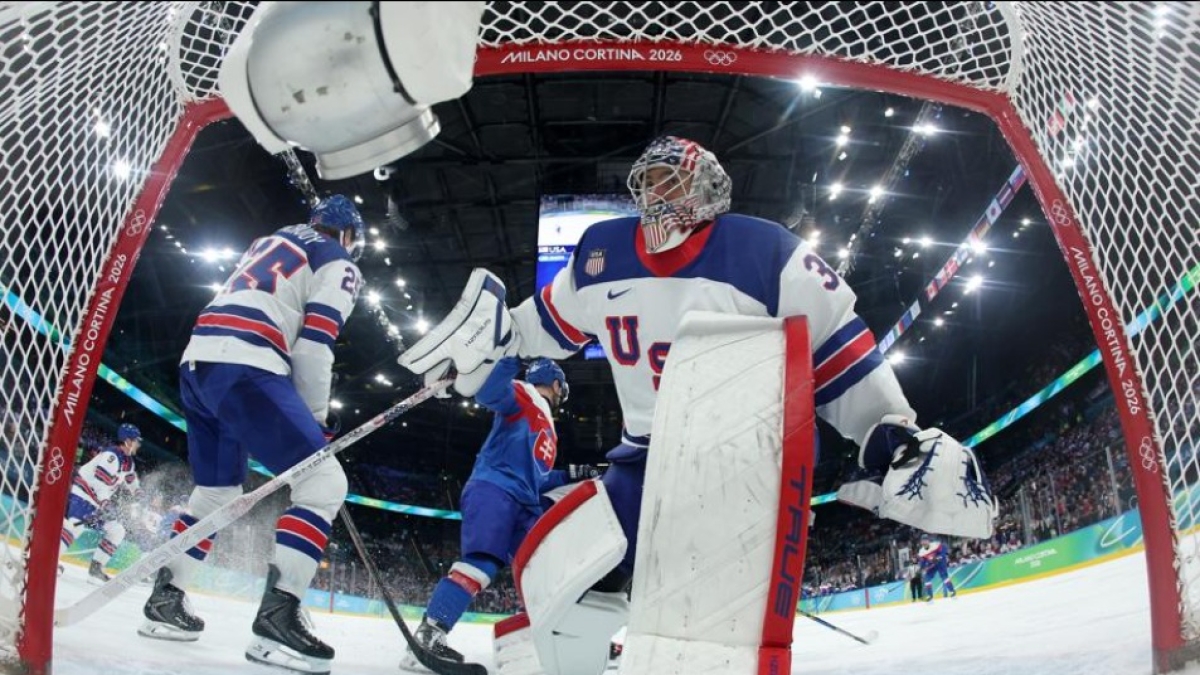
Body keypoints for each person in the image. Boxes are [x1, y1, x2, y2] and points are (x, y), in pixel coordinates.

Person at [399, 136, 996, 673]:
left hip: (743, 454)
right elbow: (539, 327)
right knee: (573, 571)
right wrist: (481, 356)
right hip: (643, 460)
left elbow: (836, 344)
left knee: (711, 616)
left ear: (709, 188)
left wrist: (886, 431)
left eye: (673, 180)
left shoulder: (764, 248)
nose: (659, 194)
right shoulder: (599, 251)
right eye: (651, 182)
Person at [138, 195, 364, 675]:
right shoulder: (339, 259)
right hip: (248, 363)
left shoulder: (271, 239)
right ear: (347, 235)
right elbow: (315, 344)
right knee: (324, 483)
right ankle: (276, 621)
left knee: (216, 491)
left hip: (198, 363)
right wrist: (317, 420)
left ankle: (166, 599)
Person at [401, 357, 598, 671]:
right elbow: (488, 393)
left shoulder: (547, 423)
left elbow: (540, 477)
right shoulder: (523, 392)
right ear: (557, 384)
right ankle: (428, 636)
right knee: (482, 564)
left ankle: (570, 638)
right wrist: (511, 357)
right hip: (495, 489)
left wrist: (578, 473)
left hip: (524, 502)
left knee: (546, 570)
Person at [59, 422, 143, 582]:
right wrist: (105, 502)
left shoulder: (129, 462)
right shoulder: (111, 456)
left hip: (97, 502)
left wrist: (137, 491)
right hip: (83, 495)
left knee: (117, 530)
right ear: (127, 441)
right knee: (75, 526)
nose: (138, 444)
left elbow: (130, 478)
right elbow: (100, 482)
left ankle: (96, 568)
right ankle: (51, 560)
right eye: (136, 440)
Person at [918, 534, 957, 601]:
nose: (924, 542)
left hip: (941, 562)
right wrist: (921, 568)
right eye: (923, 541)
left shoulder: (935, 545)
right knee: (927, 578)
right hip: (932, 564)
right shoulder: (921, 551)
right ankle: (930, 596)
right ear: (921, 542)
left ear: (928, 540)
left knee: (944, 576)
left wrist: (938, 557)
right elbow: (923, 561)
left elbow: (944, 549)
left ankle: (952, 591)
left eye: (925, 540)